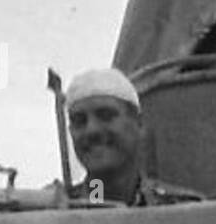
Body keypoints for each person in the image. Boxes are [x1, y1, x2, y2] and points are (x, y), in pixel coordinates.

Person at [61, 68, 200, 207]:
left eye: (106, 116)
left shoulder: (186, 212)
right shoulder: (53, 218)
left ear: (139, 124)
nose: (92, 130)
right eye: (79, 120)